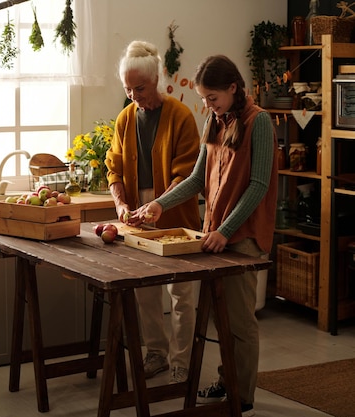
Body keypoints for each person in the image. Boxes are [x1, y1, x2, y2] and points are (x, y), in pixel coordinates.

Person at [142, 55, 278, 417]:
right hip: (215, 232)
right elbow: (197, 180)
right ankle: (227, 378)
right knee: (221, 317)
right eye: (204, 98)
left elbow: (259, 186)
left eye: (212, 97)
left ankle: (242, 394)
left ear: (233, 88)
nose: (207, 104)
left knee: (239, 319)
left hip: (243, 236)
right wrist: (159, 204)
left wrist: (226, 230)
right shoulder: (215, 121)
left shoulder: (258, 123)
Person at [105, 40, 202, 384]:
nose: (133, 96)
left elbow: (187, 175)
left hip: (175, 213)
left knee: (181, 295)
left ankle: (183, 361)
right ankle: (157, 354)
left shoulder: (181, 116)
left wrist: (159, 204)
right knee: (145, 292)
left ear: (157, 80)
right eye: (127, 89)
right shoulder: (125, 119)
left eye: (140, 88)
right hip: (138, 217)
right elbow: (113, 168)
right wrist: (120, 204)